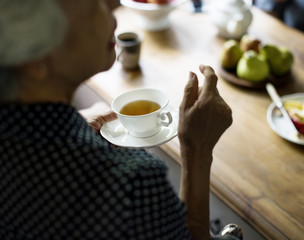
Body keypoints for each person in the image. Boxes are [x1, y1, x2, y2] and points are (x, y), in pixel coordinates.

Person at [0, 0, 232, 239]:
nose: (114, 14)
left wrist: (75, 125)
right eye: (95, 6)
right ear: (36, 58)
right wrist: (197, 149)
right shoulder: (131, 185)